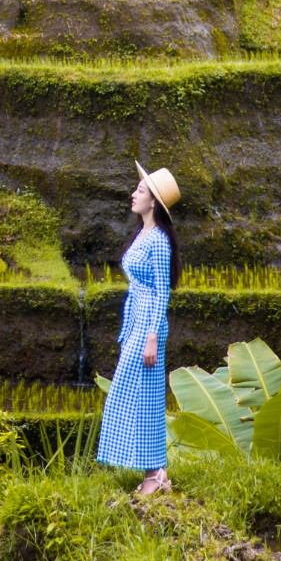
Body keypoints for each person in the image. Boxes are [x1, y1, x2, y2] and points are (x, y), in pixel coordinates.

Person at [96, 162, 182, 494]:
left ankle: (155, 473)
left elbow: (162, 292)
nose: (134, 194)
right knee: (136, 394)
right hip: (137, 320)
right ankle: (155, 473)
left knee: (139, 395)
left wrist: (151, 337)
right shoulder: (142, 233)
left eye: (141, 190)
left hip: (149, 324)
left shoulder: (159, 240)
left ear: (154, 203)